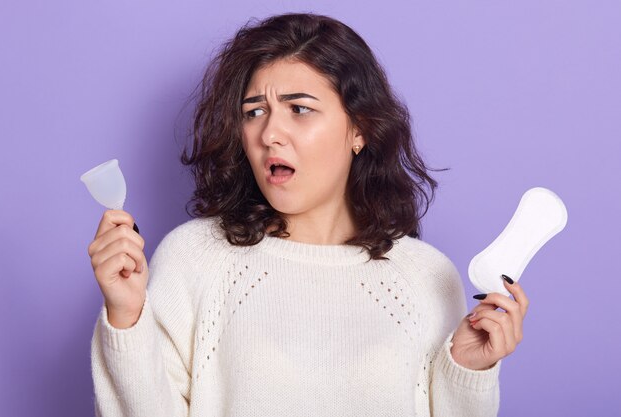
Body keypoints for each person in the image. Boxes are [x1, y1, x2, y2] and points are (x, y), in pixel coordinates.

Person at [88, 13, 528, 417]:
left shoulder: (427, 276)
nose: (270, 133)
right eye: (254, 112)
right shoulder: (194, 258)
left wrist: (467, 370)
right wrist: (126, 317)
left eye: (299, 109)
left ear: (358, 129)